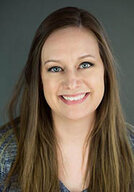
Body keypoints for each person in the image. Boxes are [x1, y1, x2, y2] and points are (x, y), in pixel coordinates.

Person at [0, 6, 134, 192]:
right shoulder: (3, 154)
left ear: (105, 72)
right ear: (39, 79)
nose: (71, 82)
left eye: (85, 64)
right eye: (55, 68)